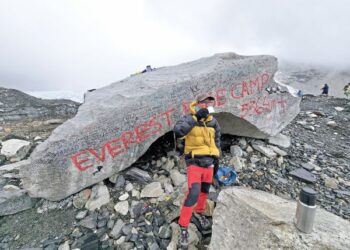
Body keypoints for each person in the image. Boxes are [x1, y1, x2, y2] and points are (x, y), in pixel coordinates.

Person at [173, 94, 221, 248]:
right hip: (194, 161)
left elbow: (217, 145)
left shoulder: (214, 123)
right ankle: (183, 227)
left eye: (210, 102)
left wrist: (217, 167)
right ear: (198, 103)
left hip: (210, 163)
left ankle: (199, 213)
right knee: (193, 193)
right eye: (205, 102)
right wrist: (195, 119)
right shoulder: (188, 118)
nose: (208, 105)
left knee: (205, 191)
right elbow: (178, 131)